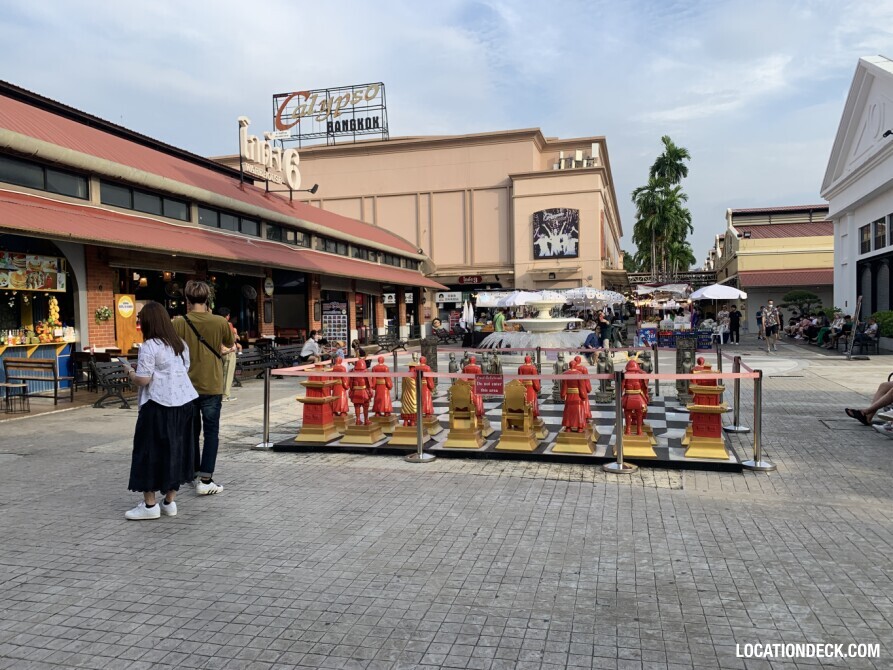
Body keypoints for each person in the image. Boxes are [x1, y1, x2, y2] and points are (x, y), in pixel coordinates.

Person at [124, 301, 198, 520]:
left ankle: (150, 506)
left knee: (149, 452)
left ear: (148, 323)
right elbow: (184, 370)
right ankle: (170, 502)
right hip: (184, 404)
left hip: (157, 406)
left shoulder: (149, 346)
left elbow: (144, 380)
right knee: (177, 451)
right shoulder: (180, 344)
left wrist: (130, 373)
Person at [172, 280, 234, 496]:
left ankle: (193, 472)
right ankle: (206, 479)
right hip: (212, 384)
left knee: (190, 433)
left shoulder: (179, 323)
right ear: (207, 299)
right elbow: (229, 342)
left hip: (187, 386)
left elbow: (173, 348)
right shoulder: (219, 322)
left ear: (187, 300)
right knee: (211, 432)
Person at [216, 307, 242, 402]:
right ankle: (225, 395)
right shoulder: (228, 325)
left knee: (222, 374)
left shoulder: (215, 324)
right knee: (228, 374)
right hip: (229, 351)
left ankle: (220, 393)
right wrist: (236, 336)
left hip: (219, 352)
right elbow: (231, 339)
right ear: (227, 316)